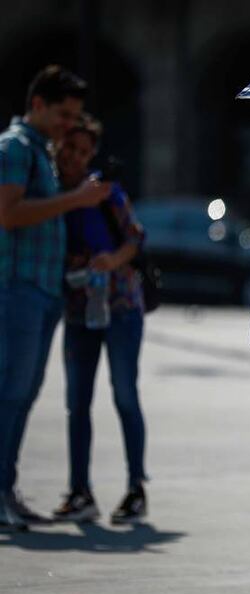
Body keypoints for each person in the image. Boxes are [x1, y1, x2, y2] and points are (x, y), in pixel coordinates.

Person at [0, 65, 112, 530]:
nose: (70, 124)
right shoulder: (15, 148)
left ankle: (6, 489)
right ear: (38, 104)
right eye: (64, 114)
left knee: (23, 394)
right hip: (17, 290)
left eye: (76, 116)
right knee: (10, 392)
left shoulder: (40, 152)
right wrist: (76, 200)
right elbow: (7, 214)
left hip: (43, 291)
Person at [51, 113, 148, 525]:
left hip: (121, 305)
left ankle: (135, 489)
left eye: (84, 151)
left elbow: (136, 238)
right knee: (77, 403)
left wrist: (112, 260)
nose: (75, 157)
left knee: (124, 395)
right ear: (58, 148)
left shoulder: (104, 192)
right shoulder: (49, 193)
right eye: (70, 148)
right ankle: (80, 491)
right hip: (78, 310)